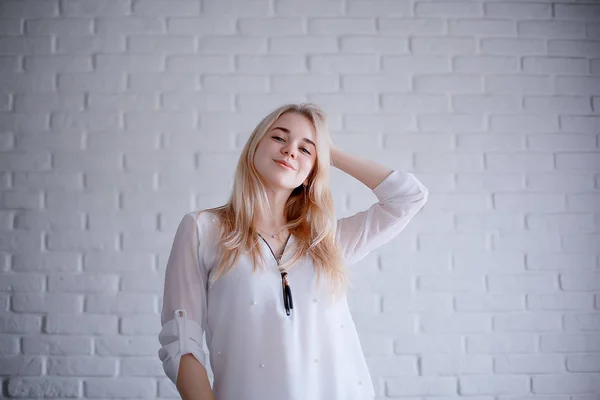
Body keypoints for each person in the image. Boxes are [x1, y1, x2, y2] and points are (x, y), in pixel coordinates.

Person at [157, 103, 428, 400]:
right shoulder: (203, 229)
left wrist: (330, 152)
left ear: (314, 171)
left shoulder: (327, 240)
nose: (290, 151)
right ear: (254, 147)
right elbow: (182, 341)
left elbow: (408, 197)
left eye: (306, 149)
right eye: (279, 138)